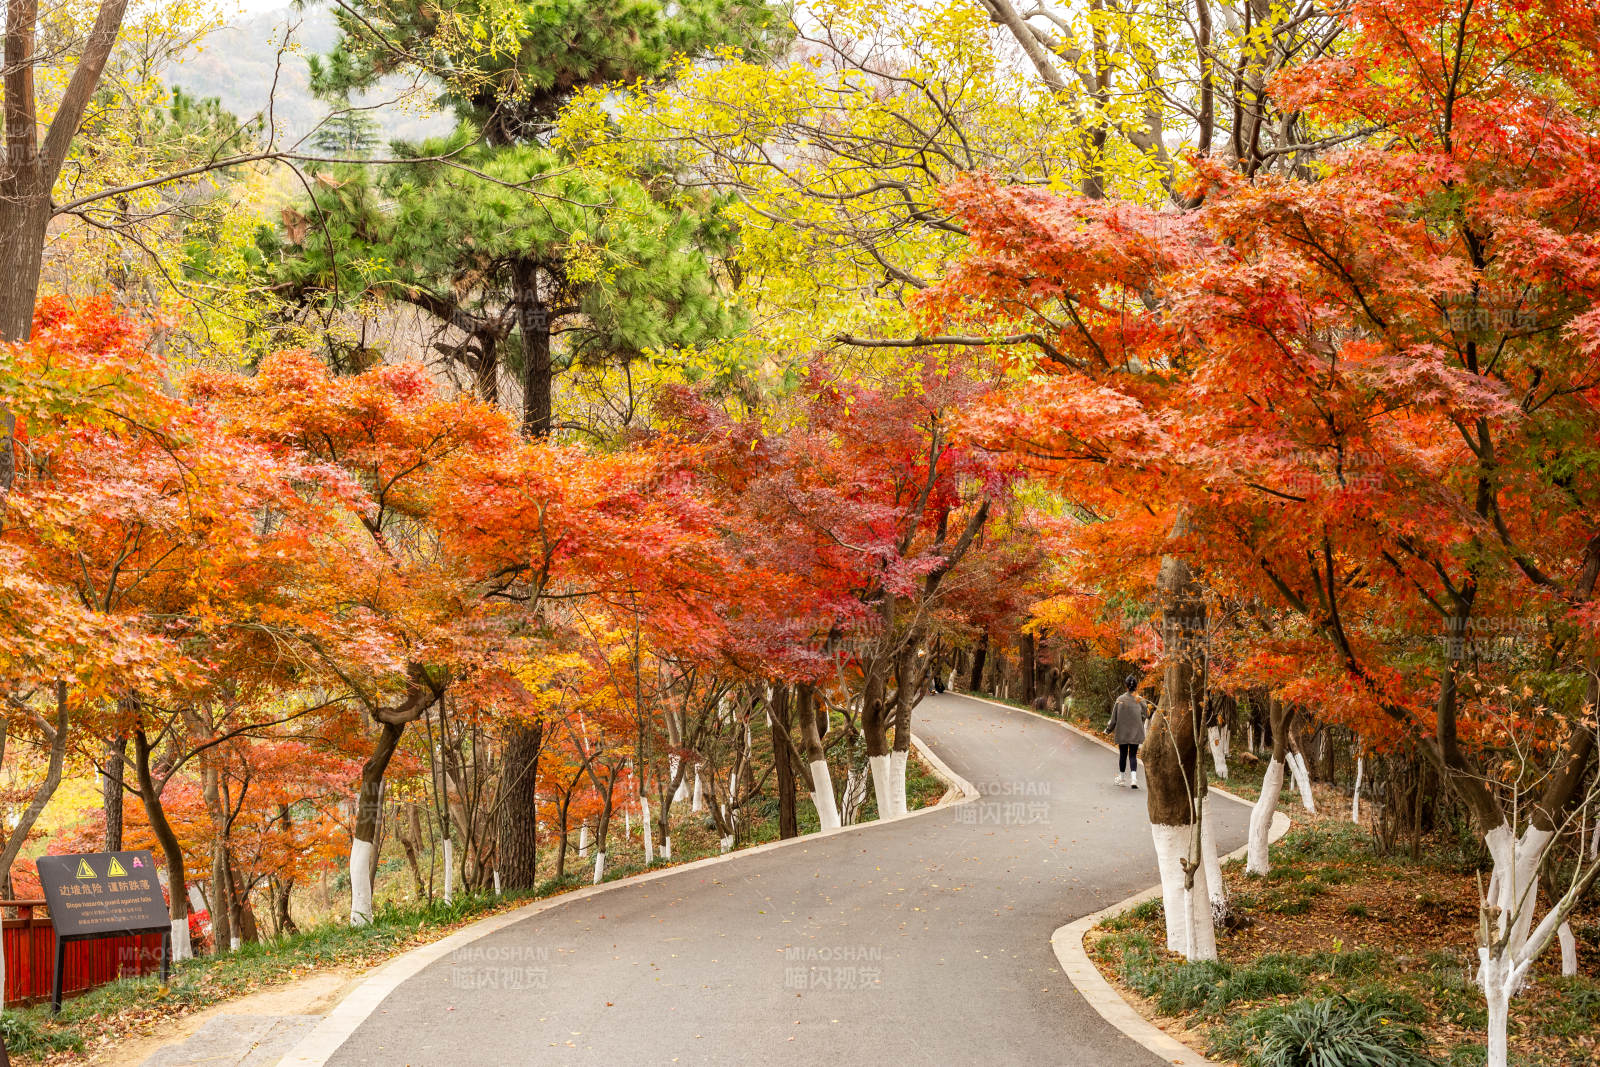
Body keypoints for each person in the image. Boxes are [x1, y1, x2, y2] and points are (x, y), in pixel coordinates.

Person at [1107, 675, 1148, 789]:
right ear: (1136, 686)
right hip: (1136, 732)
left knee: (1123, 755)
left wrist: (1108, 729)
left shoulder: (1120, 699)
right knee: (1133, 755)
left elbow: (1114, 718)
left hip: (1122, 731)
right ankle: (1134, 779)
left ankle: (1121, 778)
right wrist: (1140, 721)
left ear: (1126, 686)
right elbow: (1145, 715)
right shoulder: (1141, 700)